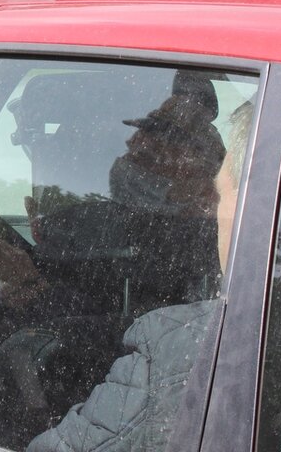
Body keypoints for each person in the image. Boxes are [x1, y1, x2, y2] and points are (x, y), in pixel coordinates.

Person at [25, 98, 254, 452]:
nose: (132, 145)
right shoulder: (100, 219)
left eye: (154, 138)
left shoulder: (172, 346)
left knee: (26, 349)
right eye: (137, 135)